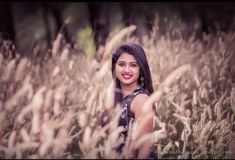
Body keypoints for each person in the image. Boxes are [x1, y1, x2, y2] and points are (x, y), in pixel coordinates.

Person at [108, 43, 157, 159]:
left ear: (141, 69)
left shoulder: (141, 100)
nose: (126, 70)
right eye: (121, 64)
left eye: (133, 65)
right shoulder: (114, 95)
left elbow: (145, 148)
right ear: (115, 67)